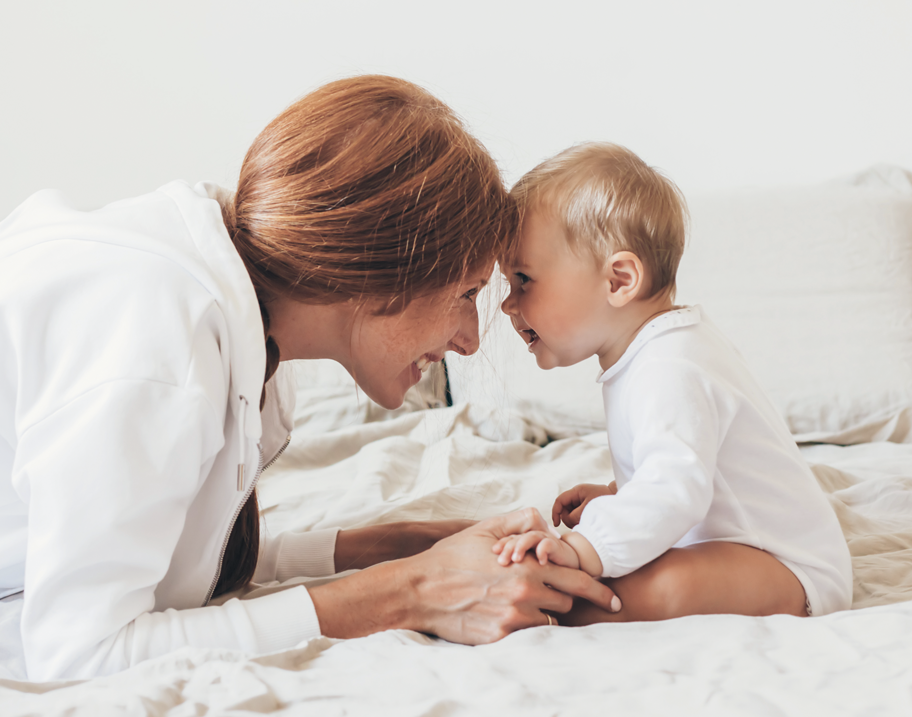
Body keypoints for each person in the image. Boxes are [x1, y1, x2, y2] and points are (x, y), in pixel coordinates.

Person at [0, 76, 618, 681]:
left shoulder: (244, 323)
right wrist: (411, 591)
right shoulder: (158, 354)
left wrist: (400, 545)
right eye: (466, 293)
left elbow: (165, 559)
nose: (469, 339)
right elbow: (80, 652)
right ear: (378, 268)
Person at [494, 142, 853, 623]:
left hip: (787, 565)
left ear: (619, 280)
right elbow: (692, 463)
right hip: (735, 545)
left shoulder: (670, 366)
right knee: (635, 572)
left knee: (636, 590)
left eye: (523, 279)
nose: (508, 304)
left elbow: (677, 486)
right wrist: (620, 495)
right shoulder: (656, 351)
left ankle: (558, 608)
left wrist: (586, 547)